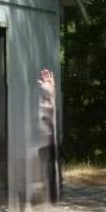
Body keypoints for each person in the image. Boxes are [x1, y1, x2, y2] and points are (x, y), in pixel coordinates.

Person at [35, 69, 62, 204]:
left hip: (47, 140)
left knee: (49, 167)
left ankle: (51, 196)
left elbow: (51, 110)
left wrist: (51, 91)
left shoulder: (48, 110)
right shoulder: (38, 108)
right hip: (40, 141)